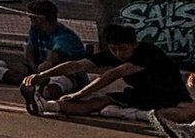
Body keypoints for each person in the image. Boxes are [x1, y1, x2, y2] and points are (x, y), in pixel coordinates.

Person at [34, 24, 190, 124]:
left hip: (170, 94)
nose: (117, 53)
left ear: (133, 45)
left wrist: (80, 93)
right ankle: (46, 105)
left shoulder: (148, 52)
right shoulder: (112, 55)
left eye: (122, 49)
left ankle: (136, 114)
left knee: (188, 114)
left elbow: (115, 73)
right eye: (113, 49)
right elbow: (76, 66)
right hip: (141, 94)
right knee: (96, 102)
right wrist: (42, 76)